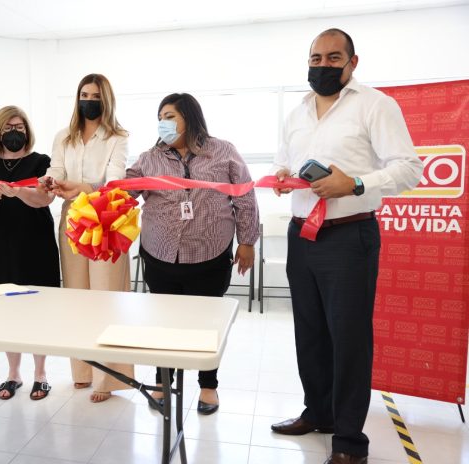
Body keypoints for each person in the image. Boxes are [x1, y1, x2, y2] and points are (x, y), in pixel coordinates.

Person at [269, 29, 423, 464]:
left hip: (349, 237)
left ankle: (350, 441)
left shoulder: (375, 105)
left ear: (352, 62)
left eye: (333, 58)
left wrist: (354, 183)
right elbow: (284, 160)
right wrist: (282, 176)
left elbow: (410, 169)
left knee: (349, 338)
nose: (322, 65)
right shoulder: (297, 112)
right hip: (302, 234)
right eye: (315, 58)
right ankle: (318, 413)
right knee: (310, 332)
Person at [125, 93, 259, 415]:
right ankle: (163, 381)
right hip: (160, 253)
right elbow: (125, 191)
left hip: (209, 253)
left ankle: (208, 386)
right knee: (163, 324)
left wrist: (247, 241)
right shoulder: (149, 157)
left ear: (190, 117)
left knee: (206, 324)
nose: (163, 123)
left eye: (170, 116)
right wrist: (95, 193)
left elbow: (245, 197)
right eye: (160, 118)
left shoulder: (223, 151)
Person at [42, 73, 134, 403]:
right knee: (77, 298)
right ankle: (82, 372)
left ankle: (107, 379)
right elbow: (56, 171)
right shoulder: (63, 137)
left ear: (106, 100)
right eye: (84, 94)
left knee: (106, 299)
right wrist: (49, 182)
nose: (89, 101)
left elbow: (115, 181)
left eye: (95, 96)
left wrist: (82, 188)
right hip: (73, 219)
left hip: (106, 219)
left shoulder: (118, 137)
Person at [0, 106, 60, 401]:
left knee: (39, 311)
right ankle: (13, 374)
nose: (14, 132)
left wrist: (17, 191)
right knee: (7, 312)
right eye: (8, 128)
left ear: (27, 131)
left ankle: (41, 374)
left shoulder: (41, 161)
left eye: (19, 127)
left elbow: (44, 198)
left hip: (36, 246)